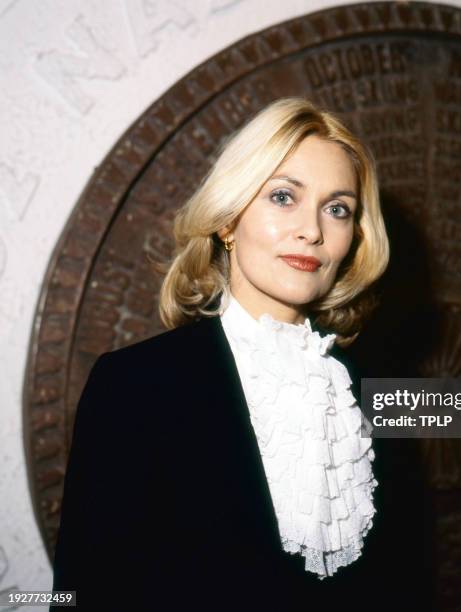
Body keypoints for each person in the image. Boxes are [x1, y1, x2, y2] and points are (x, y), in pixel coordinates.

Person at [50, 97, 433, 610]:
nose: (312, 230)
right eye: (282, 197)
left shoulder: (365, 396)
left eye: (336, 208)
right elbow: (82, 595)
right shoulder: (135, 386)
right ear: (228, 221)